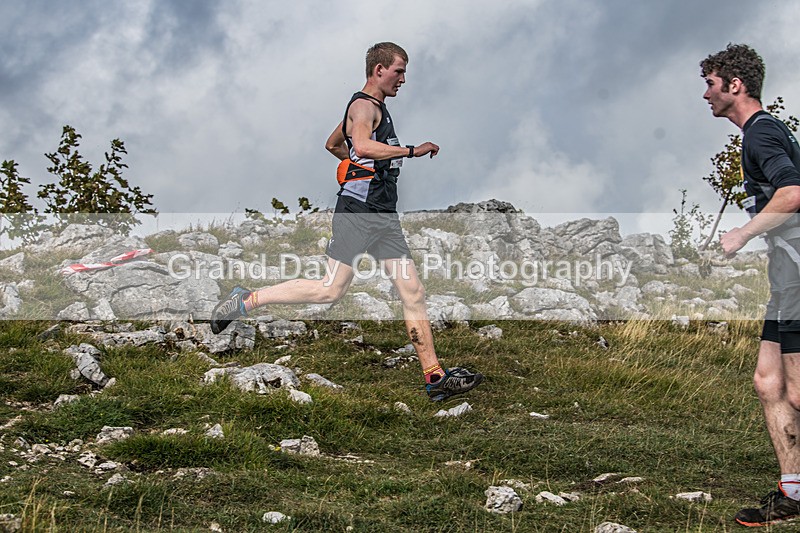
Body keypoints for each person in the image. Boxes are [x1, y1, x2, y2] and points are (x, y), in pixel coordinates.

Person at [211, 42, 483, 402]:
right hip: (357, 215)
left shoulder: (373, 108)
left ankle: (434, 378)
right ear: (378, 70)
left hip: (383, 217)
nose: (403, 78)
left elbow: (334, 144)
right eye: (399, 71)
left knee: (413, 291)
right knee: (330, 290)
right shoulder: (363, 106)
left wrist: (354, 163)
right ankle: (246, 300)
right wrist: (410, 151)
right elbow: (364, 145)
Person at [702, 43, 800, 527]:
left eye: (711, 84)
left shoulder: (761, 134)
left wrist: (742, 232)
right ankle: (793, 495)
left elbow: (792, 193)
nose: (705, 95)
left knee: (799, 392)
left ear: (734, 86)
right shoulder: (758, 134)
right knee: (769, 382)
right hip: (785, 282)